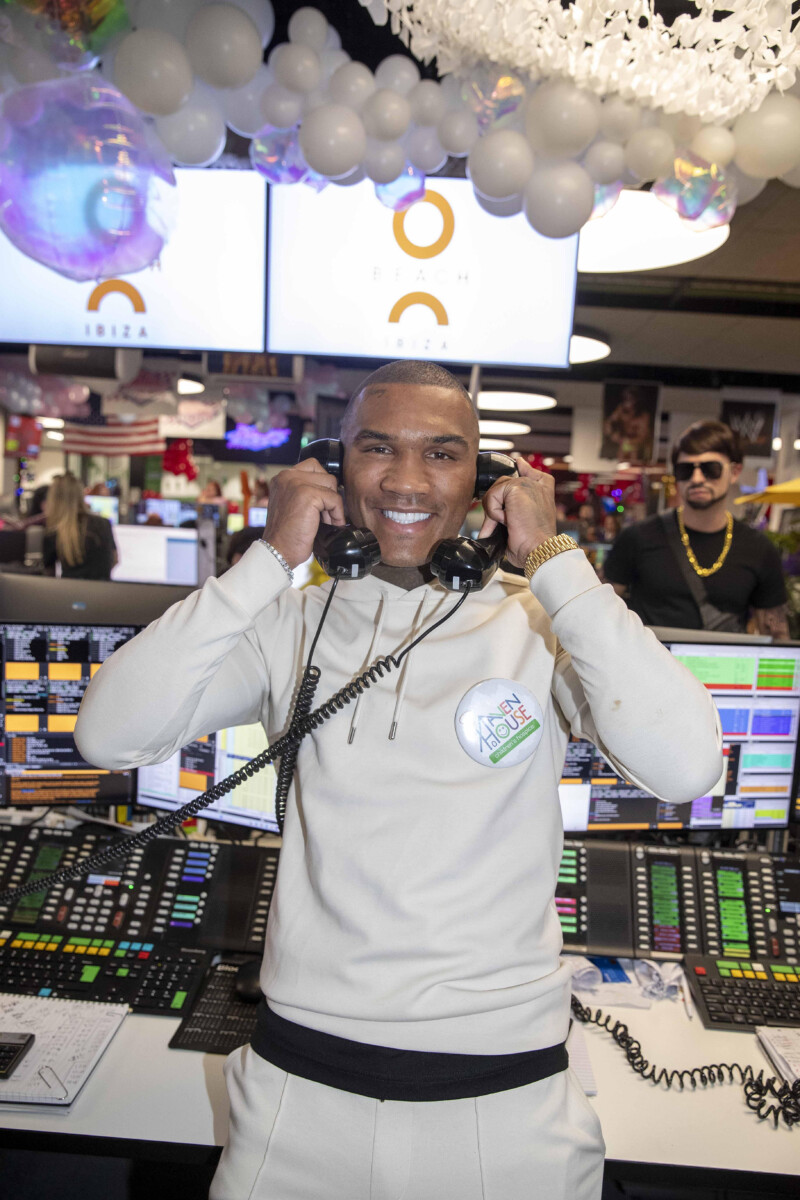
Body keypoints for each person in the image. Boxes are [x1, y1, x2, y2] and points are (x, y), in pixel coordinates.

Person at [74, 362, 721, 1200]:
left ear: (485, 482)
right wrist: (270, 559)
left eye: (443, 454)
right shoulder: (289, 619)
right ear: (333, 470)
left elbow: (685, 764)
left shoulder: (541, 621)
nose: (408, 480)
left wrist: (556, 559)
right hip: (297, 1089)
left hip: (505, 1101)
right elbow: (109, 732)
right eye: (378, 449)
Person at [603, 419, 789, 637]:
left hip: (722, 667)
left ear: (735, 471)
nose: (697, 478)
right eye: (685, 470)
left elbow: (777, 634)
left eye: (711, 469)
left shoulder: (759, 549)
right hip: (648, 666)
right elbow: (602, 611)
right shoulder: (638, 537)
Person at [42, 473, 117, 580]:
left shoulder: (53, 533)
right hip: (103, 592)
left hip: (70, 593)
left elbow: (48, 576)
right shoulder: (104, 523)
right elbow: (114, 560)